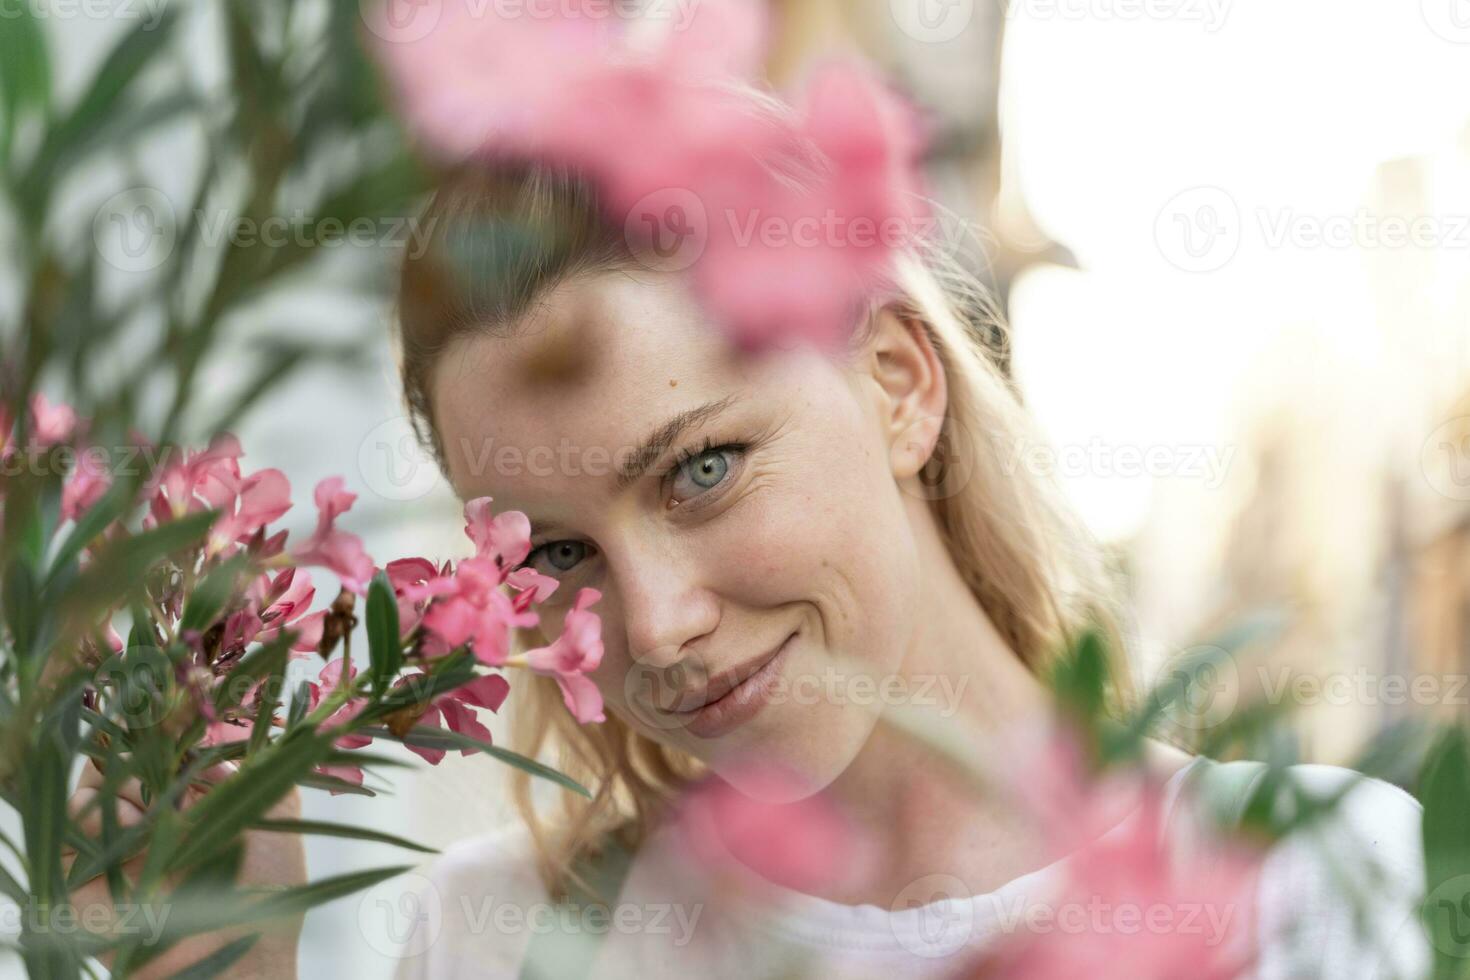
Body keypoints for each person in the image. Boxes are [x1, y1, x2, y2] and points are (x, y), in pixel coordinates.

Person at [66, 88, 1427, 980]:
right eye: (553, 556)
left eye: (702, 468)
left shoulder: (1306, 876)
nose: (652, 626)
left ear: (897, 383)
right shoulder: (498, 939)